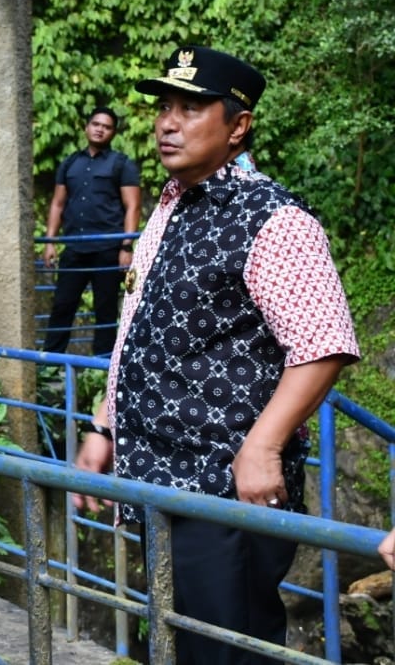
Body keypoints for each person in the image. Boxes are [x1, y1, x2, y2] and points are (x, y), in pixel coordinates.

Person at [73, 45, 360, 665]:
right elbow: (137, 329)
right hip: (153, 478)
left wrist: (263, 447)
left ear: (238, 126)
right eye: (164, 107)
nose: (167, 122)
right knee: (175, 644)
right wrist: (106, 425)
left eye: (191, 108)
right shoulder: (172, 205)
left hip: (225, 491)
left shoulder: (275, 218)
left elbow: (323, 344)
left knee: (225, 651)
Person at [42, 106, 142, 355]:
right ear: (87, 127)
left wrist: (126, 247)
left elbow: (133, 206)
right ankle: (50, 365)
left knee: (105, 309)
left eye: (107, 126)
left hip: (107, 250)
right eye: (96, 124)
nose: (100, 129)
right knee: (62, 305)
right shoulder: (70, 163)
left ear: (113, 133)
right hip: (74, 248)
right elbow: (57, 203)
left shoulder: (122, 164)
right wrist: (50, 242)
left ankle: (103, 368)